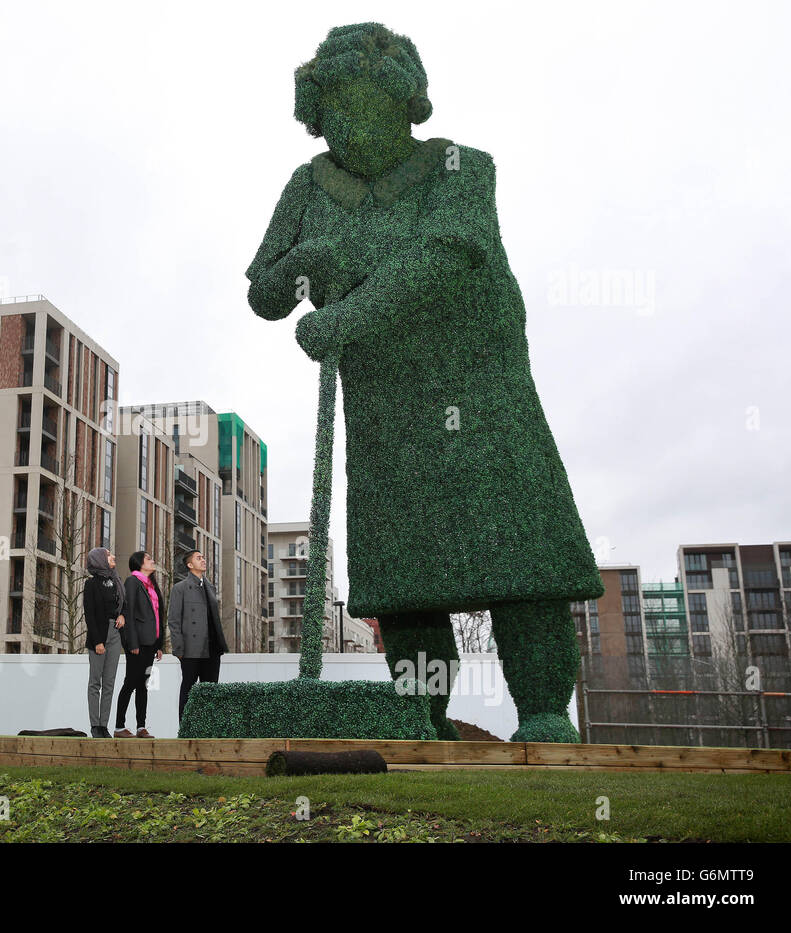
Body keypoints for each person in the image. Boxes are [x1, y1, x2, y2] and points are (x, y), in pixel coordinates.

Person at [243, 22, 603, 742]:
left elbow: (444, 254)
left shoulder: (461, 170)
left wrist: (347, 314)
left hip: (484, 394)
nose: (349, 122)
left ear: (404, 100)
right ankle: (423, 718)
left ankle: (541, 711)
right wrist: (307, 262)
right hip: (386, 416)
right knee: (410, 590)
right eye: (334, 107)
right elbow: (265, 290)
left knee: (522, 566)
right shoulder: (308, 186)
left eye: (365, 100)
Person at [168, 549, 229, 720]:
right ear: (189, 565)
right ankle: (185, 727)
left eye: (203, 557)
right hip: (190, 648)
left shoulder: (210, 587)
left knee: (210, 691)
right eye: (198, 558)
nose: (203, 560)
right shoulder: (179, 588)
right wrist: (178, 648)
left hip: (212, 647)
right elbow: (173, 620)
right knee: (188, 688)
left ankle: (207, 727)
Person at [113, 551, 166, 738]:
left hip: (151, 643)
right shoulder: (133, 582)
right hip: (137, 644)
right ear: (139, 563)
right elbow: (129, 614)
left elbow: (158, 617)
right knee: (130, 683)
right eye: (149, 559)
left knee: (143, 684)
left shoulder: (152, 585)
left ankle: (141, 727)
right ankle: (119, 727)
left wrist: (160, 645)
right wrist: (132, 642)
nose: (153, 561)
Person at [82, 547, 125, 738]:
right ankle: (95, 726)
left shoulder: (116, 581)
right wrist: (98, 641)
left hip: (115, 633)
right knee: (95, 683)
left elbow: (123, 605)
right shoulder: (91, 584)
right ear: (99, 560)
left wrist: (122, 615)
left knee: (109, 682)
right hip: (98, 635)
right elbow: (89, 614)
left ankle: (104, 725)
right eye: (108, 555)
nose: (113, 556)